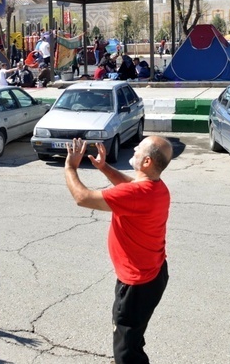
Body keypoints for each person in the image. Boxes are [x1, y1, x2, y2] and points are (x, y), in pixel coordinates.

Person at [63, 136, 173, 364]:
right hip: (154, 276)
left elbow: (82, 198)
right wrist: (104, 167)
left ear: (147, 162)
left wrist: (71, 166)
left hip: (136, 286)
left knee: (125, 353)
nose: (134, 148)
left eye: (139, 148)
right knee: (132, 337)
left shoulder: (136, 194)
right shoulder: (157, 187)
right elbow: (130, 185)